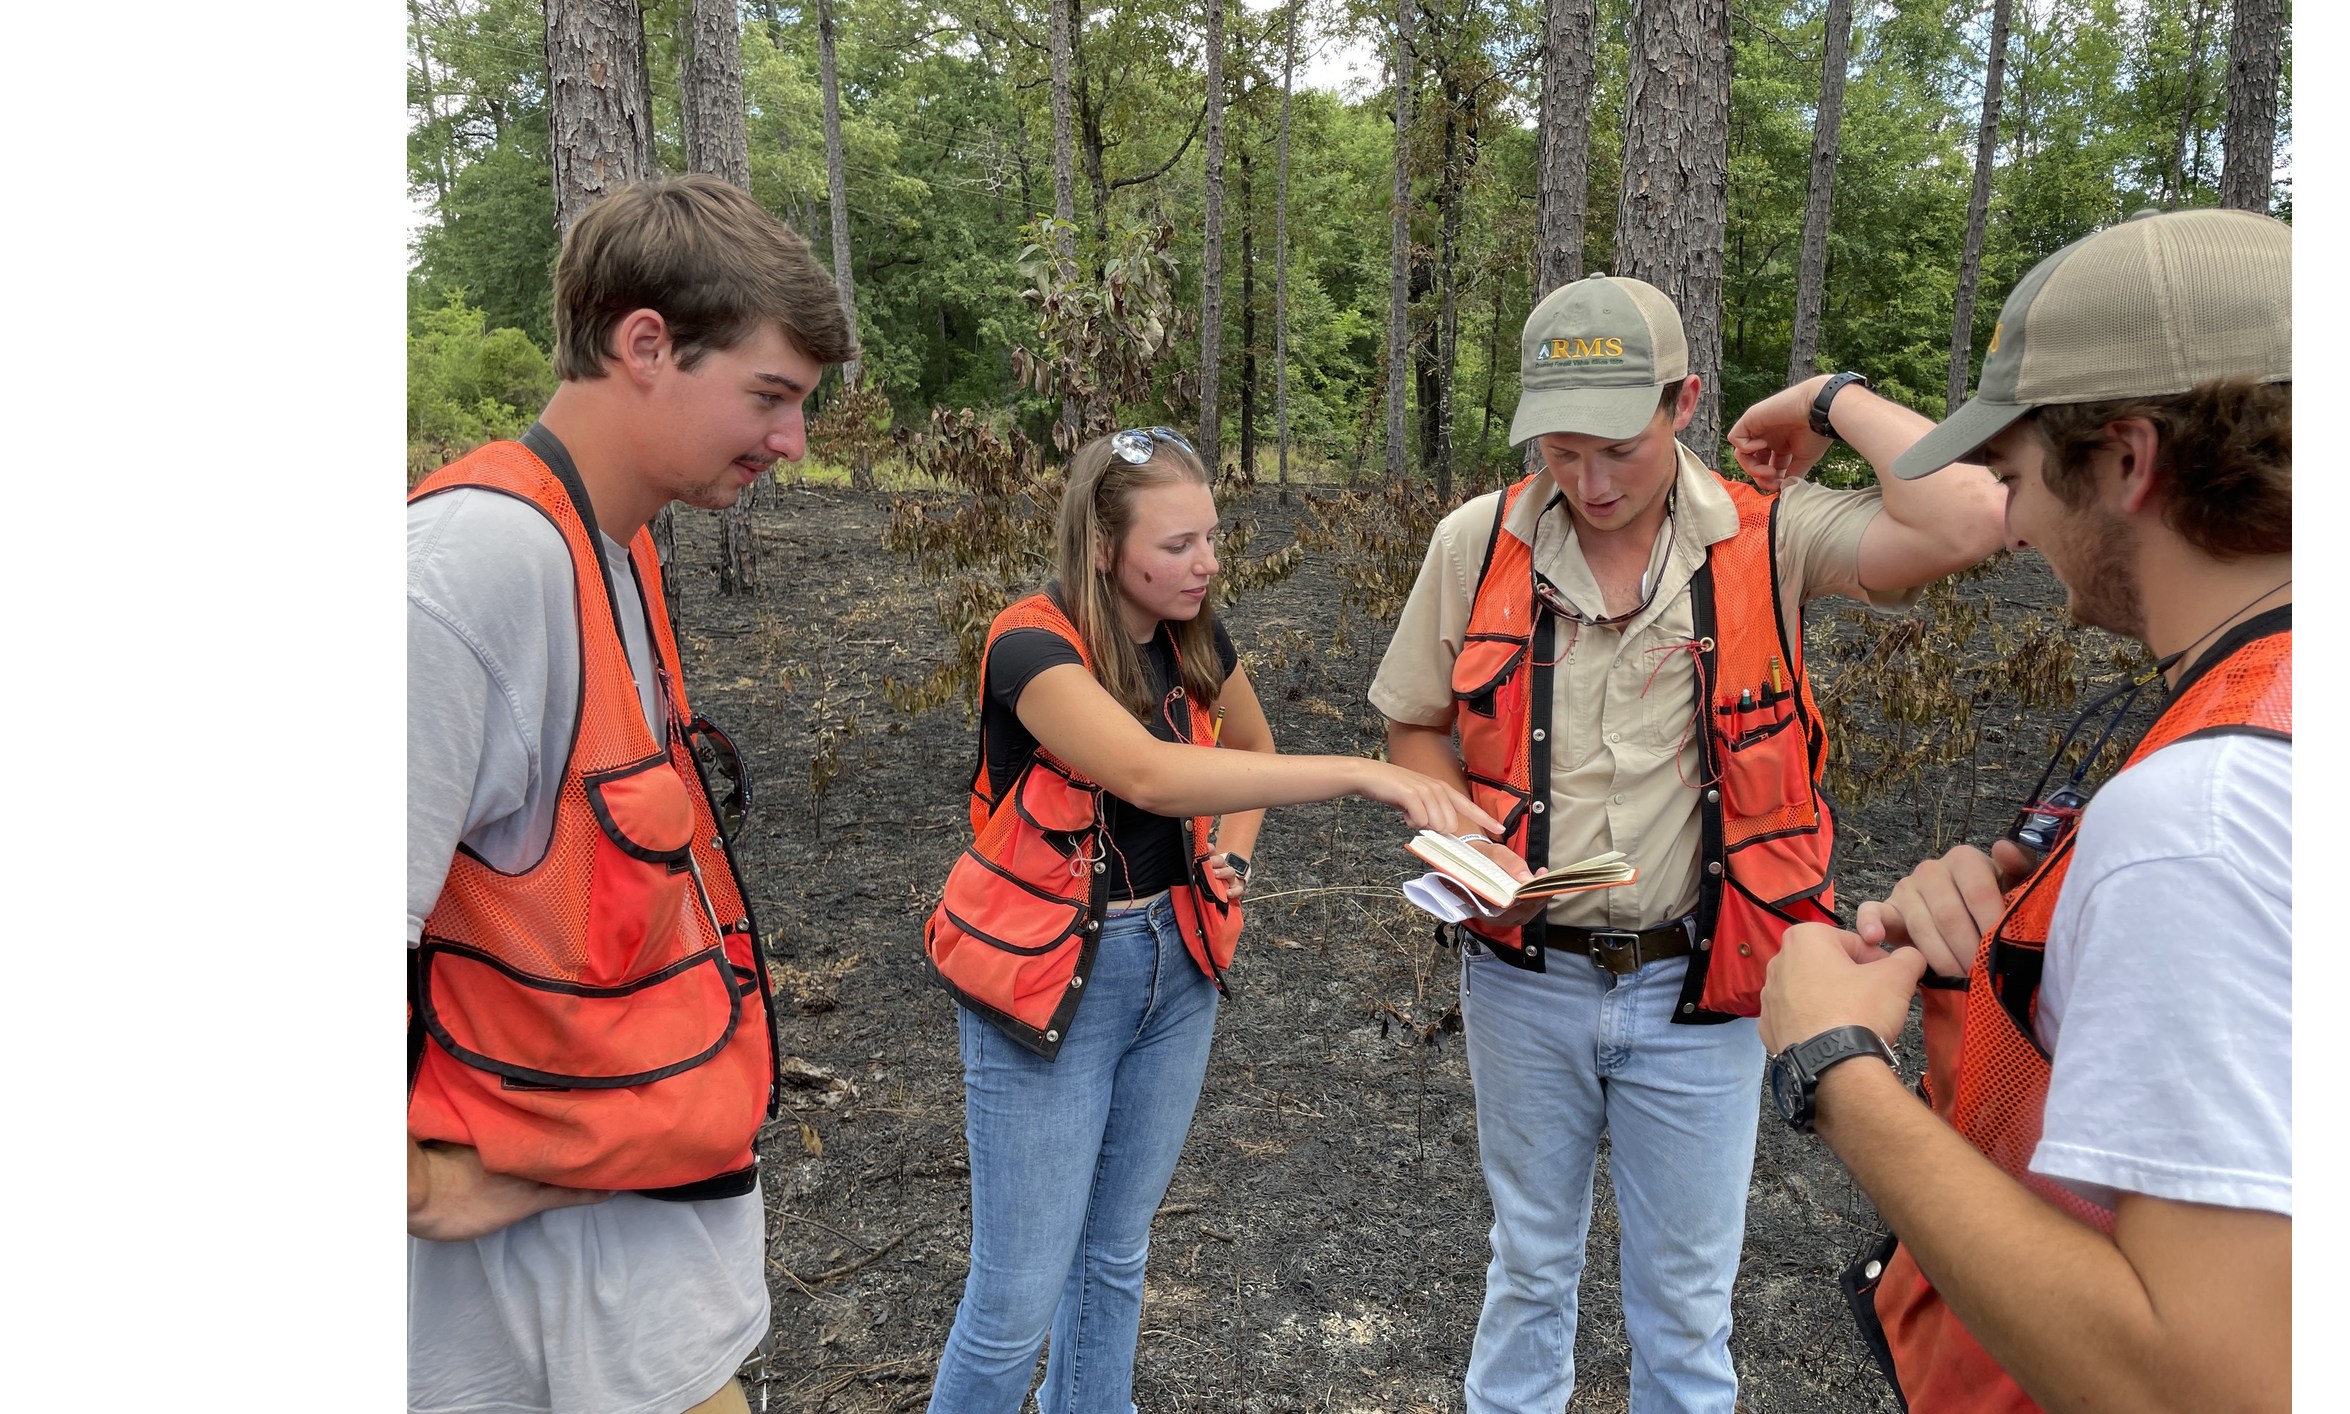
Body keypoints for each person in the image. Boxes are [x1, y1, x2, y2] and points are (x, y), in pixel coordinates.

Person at [1366, 273, 2007, 1414]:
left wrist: (1825, 398)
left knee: (1684, 1302)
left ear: (1681, 403)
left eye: (1617, 445)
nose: (1590, 482)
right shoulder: (1479, 541)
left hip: (1703, 990)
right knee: (1526, 1269)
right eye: (1560, 450)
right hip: (1524, 983)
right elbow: (1413, 723)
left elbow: (1967, 515)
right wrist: (1463, 852)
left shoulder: (1768, 541)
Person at [1755, 207, 2291, 1414]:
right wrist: (2050, 947)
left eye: (2015, 476)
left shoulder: (2205, 810)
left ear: (2124, 459)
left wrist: (1832, 1064)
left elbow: (2197, 1384)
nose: (2015, 525)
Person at [922, 425, 1503, 1414]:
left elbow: (1250, 745)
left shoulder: (1192, 637)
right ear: (1103, 548)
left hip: (1173, 970)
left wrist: (1234, 852)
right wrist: (1363, 773)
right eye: (1176, 544)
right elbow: (1146, 772)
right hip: (1048, 981)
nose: (1207, 563)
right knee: (1017, 1292)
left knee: (1112, 1253)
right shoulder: (1031, 646)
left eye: (1211, 537)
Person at [406, 174, 855, 1414]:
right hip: (523, 1315)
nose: (790, 443)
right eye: (769, 396)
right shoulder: (470, 569)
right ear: (643, 343)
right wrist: (419, 1185)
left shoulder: (614, 543)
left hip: (633, 1283)